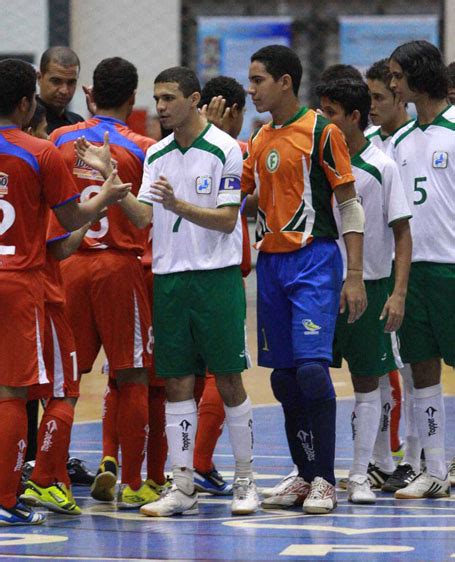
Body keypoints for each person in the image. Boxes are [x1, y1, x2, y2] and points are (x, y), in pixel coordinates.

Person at [75, 66, 259, 517]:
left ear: (194, 100)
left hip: (215, 278)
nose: (159, 107)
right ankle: (182, 487)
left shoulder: (226, 151)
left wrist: (179, 205)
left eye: (169, 98)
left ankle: (246, 481)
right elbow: (143, 218)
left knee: (229, 380)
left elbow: (227, 219)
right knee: (176, 381)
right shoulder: (155, 154)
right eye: (156, 98)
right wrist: (116, 188)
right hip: (169, 280)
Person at [0, 58, 130, 526]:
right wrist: (108, 197)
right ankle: (15, 493)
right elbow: (71, 222)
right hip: (23, 283)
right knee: (21, 392)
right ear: (25, 101)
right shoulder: (39, 152)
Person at [242, 45, 366, 514]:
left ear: (285, 82)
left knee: (313, 371)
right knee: (284, 379)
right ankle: (304, 473)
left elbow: (349, 205)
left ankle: (326, 482)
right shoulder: (258, 139)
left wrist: (353, 275)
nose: (251, 89)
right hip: (270, 265)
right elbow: (248, 198)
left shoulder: (322, 131)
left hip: (314, 260)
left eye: (258, 80)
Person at [50, 57, 157, 510]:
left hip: (68, 264)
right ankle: (133, 483)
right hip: (119, 268)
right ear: (133, 99)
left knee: (64, 383)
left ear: (89, 93)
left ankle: (49, 477)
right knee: (132, 375)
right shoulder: (146, 148)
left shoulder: (58, 140)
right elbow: (151, 218)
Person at [317, 78, 412, 504]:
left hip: (370, 284)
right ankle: (313, 473)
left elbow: (403, 232)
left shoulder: (382, 166)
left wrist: (398, 293)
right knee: (308, 376)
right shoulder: (316, 160)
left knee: (367, 381)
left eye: (331, 113)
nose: (323, 120)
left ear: (353, 118)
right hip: (317, 282)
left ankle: (360, 472)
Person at [388, 40, 455, 499]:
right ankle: (434, 469)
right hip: (412, 272)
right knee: (422, 370)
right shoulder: (398, 141)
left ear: (418, 74)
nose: (392, 83)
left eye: (397, 74)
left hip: (452, 269)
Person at [192, 75, 252, 496]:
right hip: (214, 276)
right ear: (232, 112)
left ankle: (174, 468)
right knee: (220, 370)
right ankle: (196, 464)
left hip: (178, 276)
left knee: (187, 375)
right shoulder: (239, 151)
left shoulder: (173, 148)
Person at [37, 46, 84, 133]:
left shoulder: (77, 123)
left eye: (71, 82)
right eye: (56, 81)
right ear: (39, 78)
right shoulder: (25, 121)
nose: (64, 90)